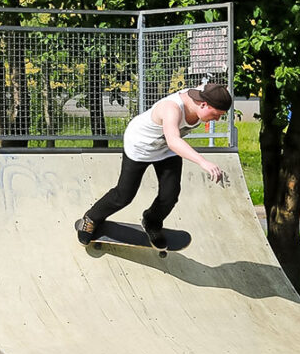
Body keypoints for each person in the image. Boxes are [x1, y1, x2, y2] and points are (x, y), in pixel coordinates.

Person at [77, 82, 233, 249]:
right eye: (216, 114)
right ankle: (91, 218)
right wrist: (203, 161)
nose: (216, 119)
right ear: (203, 104)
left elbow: (214, 87)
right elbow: (174, 140)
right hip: (140, 146)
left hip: (165, 149)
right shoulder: (171, 108)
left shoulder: (205, 95)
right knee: (124, 196)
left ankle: (152, 222)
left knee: (170, 194)